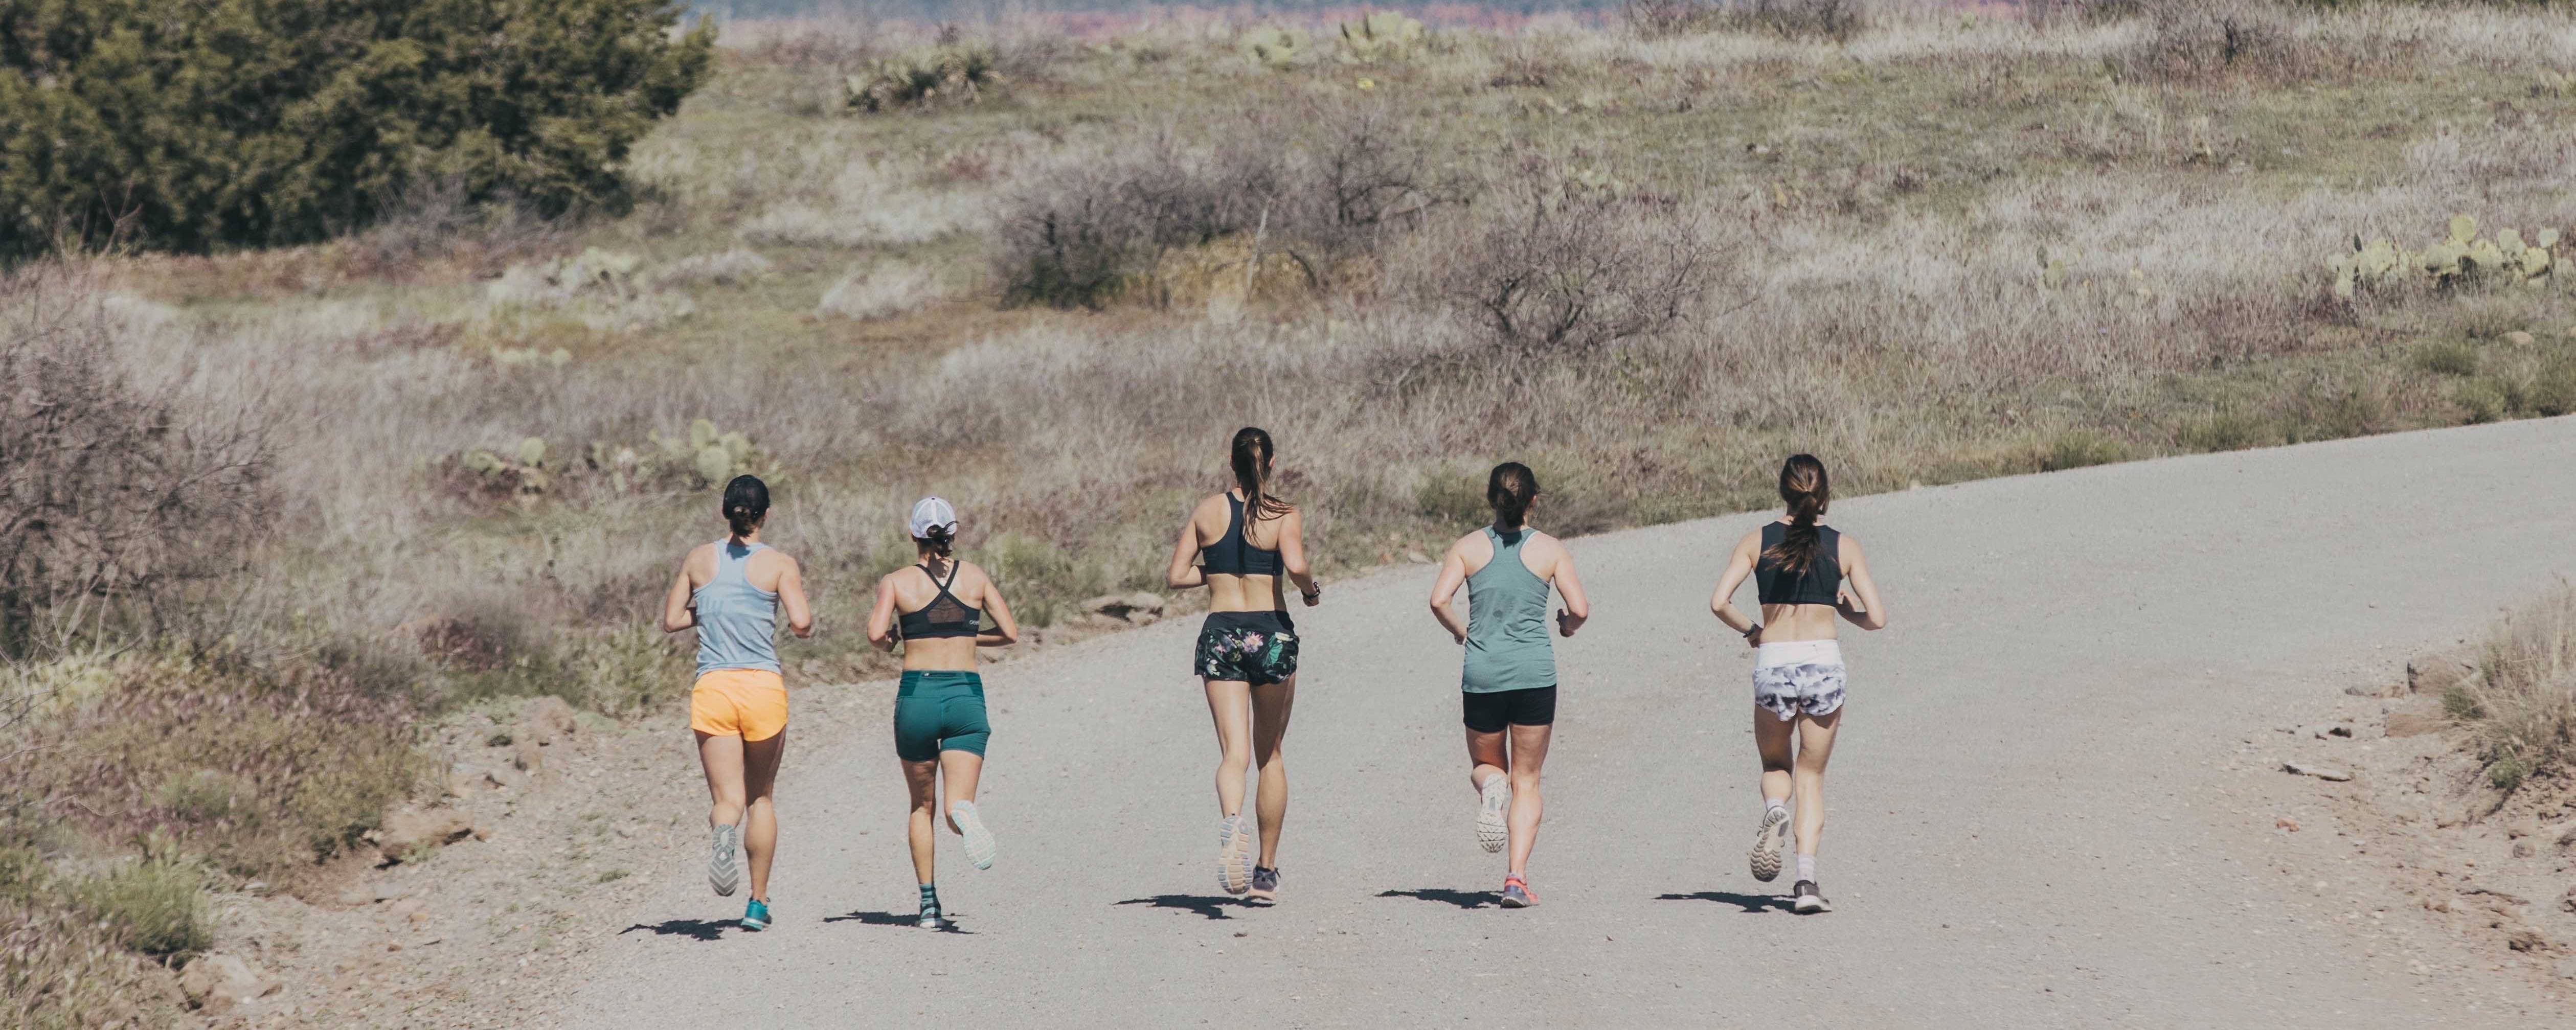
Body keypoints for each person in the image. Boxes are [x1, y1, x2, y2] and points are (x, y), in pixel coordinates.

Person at [1707, 454, 1887, 914]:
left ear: (1783, 491)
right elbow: (1877, 618)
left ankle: (1775, 808)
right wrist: (1844, 610)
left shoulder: (1756, 541)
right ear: (1824, 495)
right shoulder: (1844, 546)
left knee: (1776, 763)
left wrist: (1753, 630)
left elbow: (1719, 601)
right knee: (1811, 776)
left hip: (1775, 661)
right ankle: (1806, 882)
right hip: (1823, 663)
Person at [1164, 427, 1321, 903]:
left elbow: (1176, 576)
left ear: (1231, 463)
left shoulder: (1207, 511)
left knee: (1234, 754)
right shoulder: (1283, 513)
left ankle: (1232, 822)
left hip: (1222, 632)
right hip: (1270, 632)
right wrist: (1311, 591)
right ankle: (1265, 874)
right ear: (1270, 463)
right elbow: (1296, 565)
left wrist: (1216, 571)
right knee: (1269, 755)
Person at [1428, 463, 1588, 908]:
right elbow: (1579, 609)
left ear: (1491, 498)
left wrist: (1462, 631)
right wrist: (1566, 626)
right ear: (1534, 499)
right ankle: (1516, 879)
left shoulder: (1467, 547)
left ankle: (1492, 789)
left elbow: (1439, 600)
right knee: (1528, 780)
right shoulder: (1551, 550)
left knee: (1487, 767)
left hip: (1483, 673)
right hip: (1534, 674)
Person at [659, 474, 814, 932]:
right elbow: (802, 623)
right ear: (766, 514)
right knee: (761, 797)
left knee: (729, 799)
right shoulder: (780, 564)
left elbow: (672, 619)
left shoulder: (698, 558)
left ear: (725, 512)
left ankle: (723, 831)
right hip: (762, 687)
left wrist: (712, 607)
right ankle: (757, 904)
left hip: (714, 689)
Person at [866, 497, 1020, 930]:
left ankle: (929, 905)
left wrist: (895, 640)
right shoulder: (975, 577)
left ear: (913, 534)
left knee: (921, 805)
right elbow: (1010, 633)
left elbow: (876, 634)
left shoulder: (897, 582)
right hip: (965, 696)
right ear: (954, 532)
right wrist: (967, 636)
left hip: (918, 695)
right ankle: (964, 816)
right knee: (955, 804)